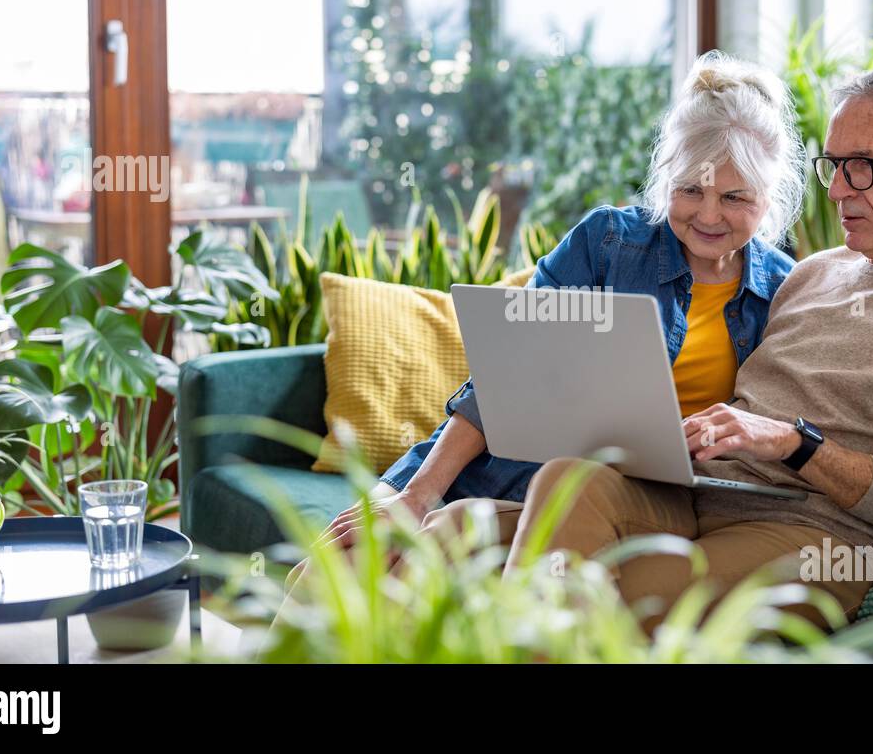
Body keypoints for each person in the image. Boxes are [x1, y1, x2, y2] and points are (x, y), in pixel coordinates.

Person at [447, 59, 873, 633]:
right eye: (832, 165)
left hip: (816, 533)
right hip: (700, 495)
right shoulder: (812, 275)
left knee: (611, 593)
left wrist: (794, 444)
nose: (836, 191)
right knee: (503, 508)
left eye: (861, 166)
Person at [294, 51, 807, 585]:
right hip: (506, 464)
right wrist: (420, 491)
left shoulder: (786, 292)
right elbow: (504, 377)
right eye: (689, 190)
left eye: (733, 197)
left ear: (770, 197)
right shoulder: (608, 242)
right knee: (322, 577)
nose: (707, 214)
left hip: (632, 499)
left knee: (404, 573)